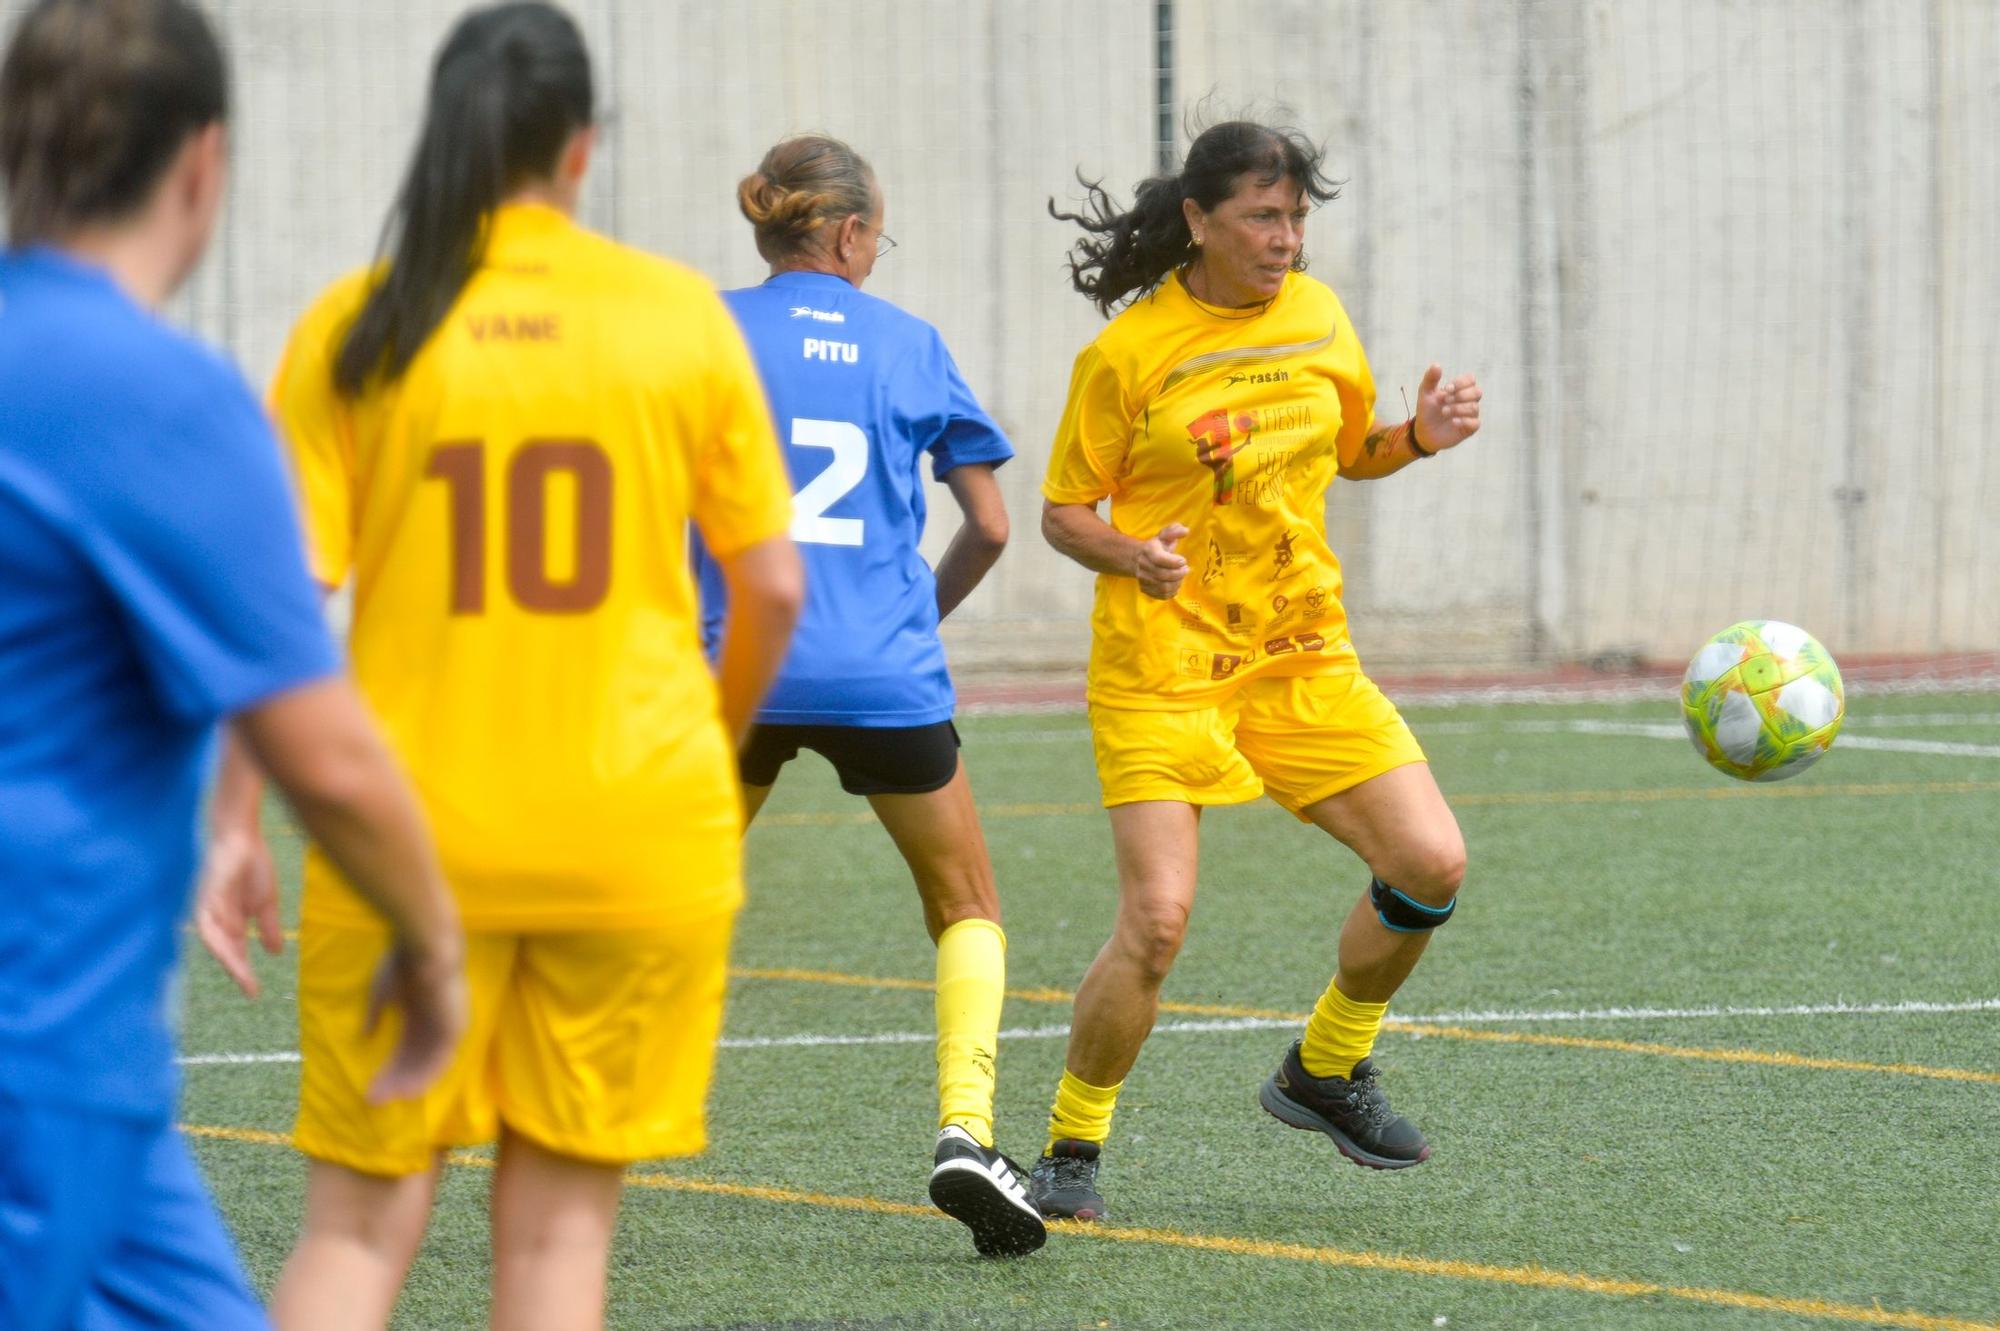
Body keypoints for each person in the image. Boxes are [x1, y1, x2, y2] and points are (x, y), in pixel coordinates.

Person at [197, 4, 803, 1327]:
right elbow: (772, 583)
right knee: (553, 1251)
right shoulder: (673, 318)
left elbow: (276, 607)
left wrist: (234, 819)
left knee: (357, 1231)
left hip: (408, 833)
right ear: (582, 147)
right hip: (632, 827)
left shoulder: (360, 322)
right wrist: (705, 747)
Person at [0, 1, 467, 1328]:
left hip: (98, 1088)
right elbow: (327, 751)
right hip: (38, 1046)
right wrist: (434, 953)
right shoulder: (166, 398)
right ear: (203, 163)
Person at [1026, 120, 1483, 1221]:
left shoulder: (1319, 317)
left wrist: (1412, 435)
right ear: (1198, 220)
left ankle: (1322, 1070)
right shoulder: (1128, 354)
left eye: (1295, 219)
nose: (1284, 240)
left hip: (1298, 652)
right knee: (1158, 920)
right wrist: (1131, 552)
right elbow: (1060, 512)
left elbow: (1348, 448)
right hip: (1162, 663)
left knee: (1430, 862)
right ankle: (1070, 1147)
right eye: (1261, 218)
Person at [694, 134, 1044, 1258]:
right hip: (877, 670)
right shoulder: (907, 343)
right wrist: (908, 622)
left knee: (671, 887)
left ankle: (561, 1098)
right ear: (847, 234)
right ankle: (965, 1130)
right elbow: (989, 525)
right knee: (965, 902)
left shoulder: (704, 329)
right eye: (876, 237)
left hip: (734, 667)